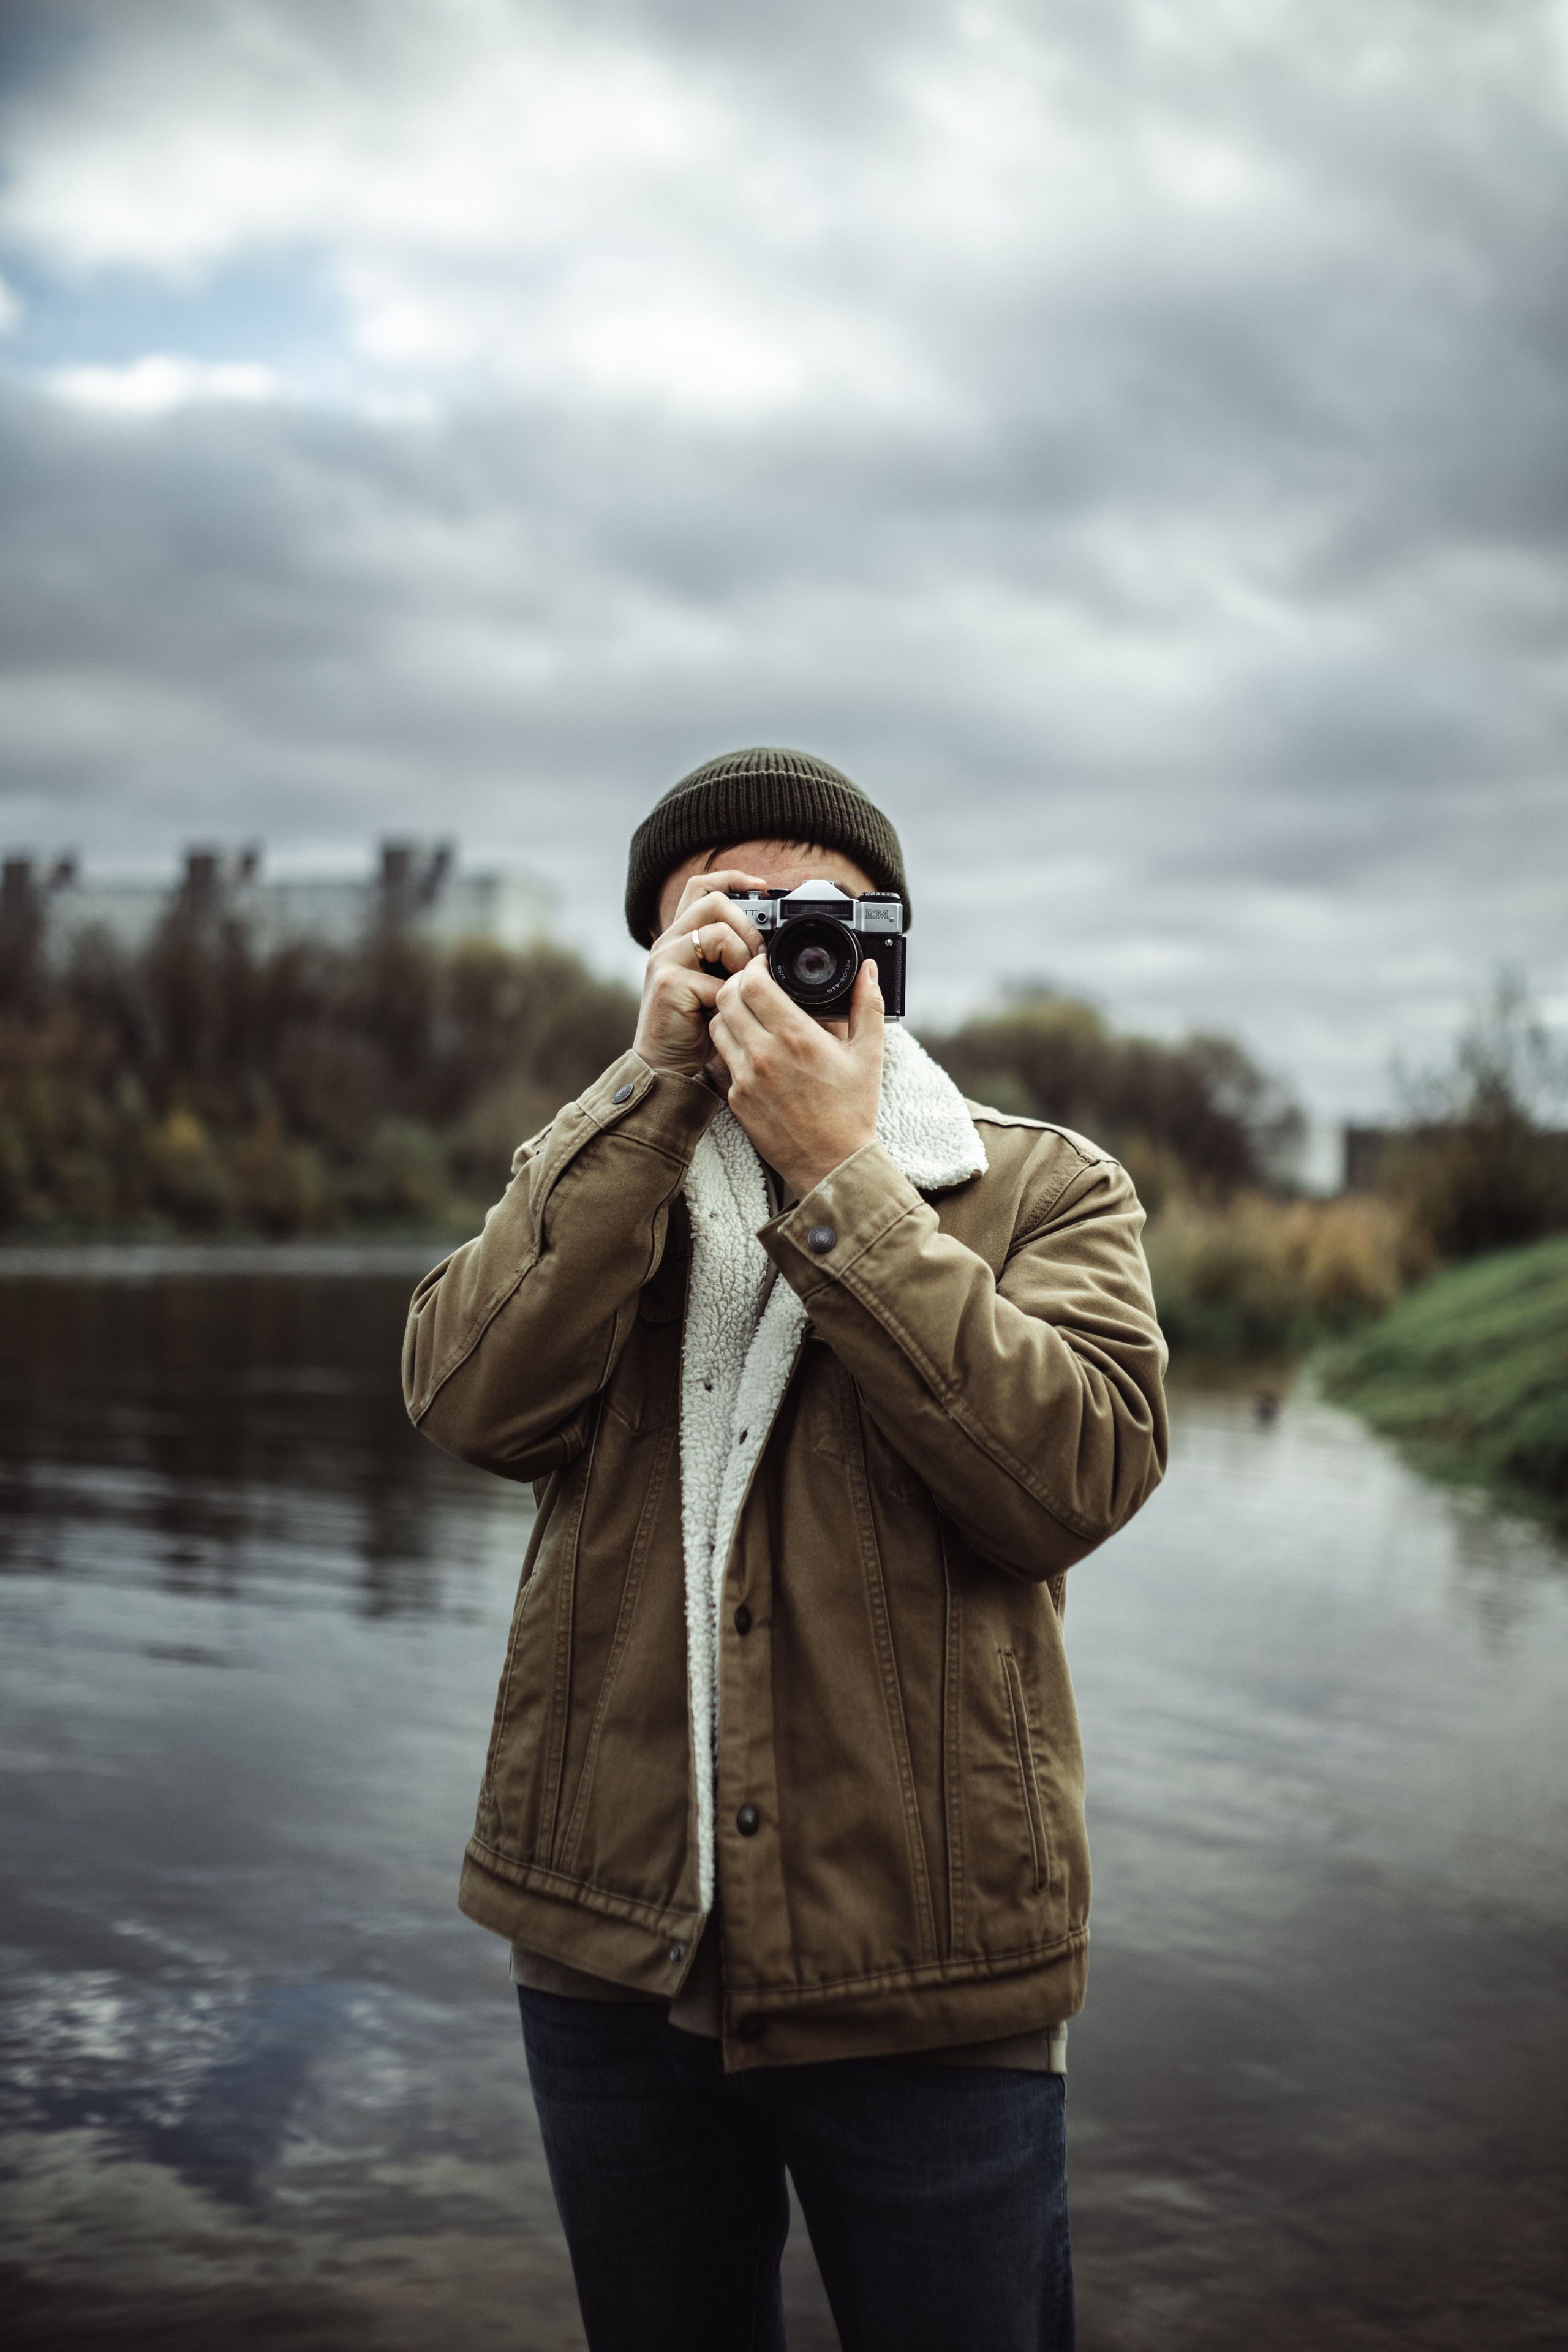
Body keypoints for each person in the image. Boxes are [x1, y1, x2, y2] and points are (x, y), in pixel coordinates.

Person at [403, 746, 1168, 2352]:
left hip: (928, 1958)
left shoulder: (1037, 1187)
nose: (780, 941)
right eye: (731, 909)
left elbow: (1072, 1480)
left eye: (820, 909)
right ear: (664, 949)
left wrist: (841, 1174)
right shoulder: (600, 1175)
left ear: (887, 943)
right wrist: (644, 1101)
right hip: (610, 1944)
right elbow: (469, 1403)